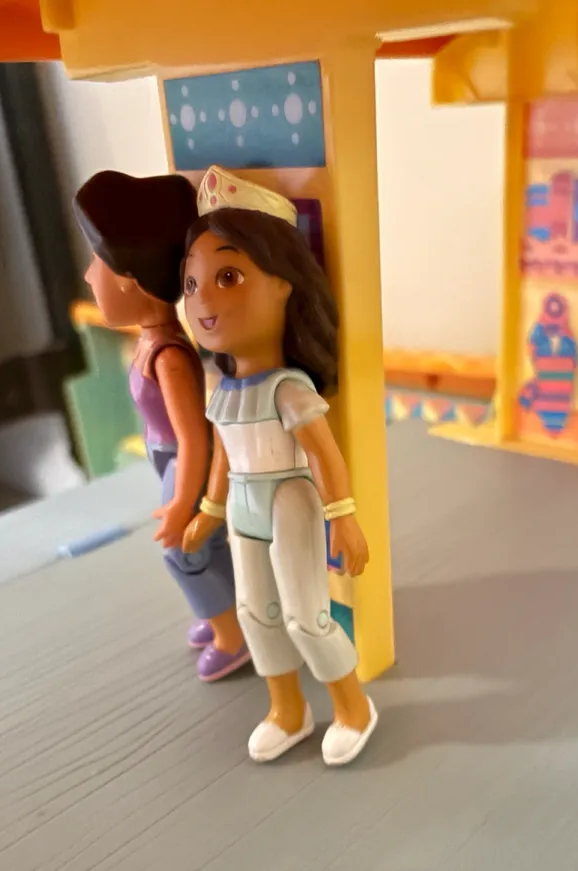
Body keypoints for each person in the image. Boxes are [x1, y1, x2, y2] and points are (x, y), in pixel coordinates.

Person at [181, 166, 377, 766]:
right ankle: (287, 710)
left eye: (229, 276)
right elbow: (222, 456)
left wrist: (344, 517)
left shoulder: (288, 387)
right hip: (243, 505)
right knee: (254, 612)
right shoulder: (223, 389)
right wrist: (209, 510)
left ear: (284, 285)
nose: (204, 299)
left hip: (291, 500)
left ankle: (353, 708)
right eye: (192, 283)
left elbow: (322, 452)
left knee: (305, 616)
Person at [74, 170, 249, 681]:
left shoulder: (169, 356)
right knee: (199, 546)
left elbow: (194, 438)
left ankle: (232, 636)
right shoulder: (151, 342)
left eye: (96, 264)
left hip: (182, 458)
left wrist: (181, 502)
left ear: (128, 279)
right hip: (165, 456)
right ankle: (222, 613)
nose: (87, 277)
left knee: (185, 548)